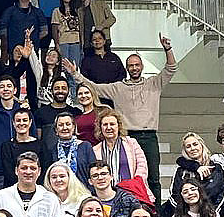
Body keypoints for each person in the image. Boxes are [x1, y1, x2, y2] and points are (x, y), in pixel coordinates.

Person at [71, 35, 175, 202]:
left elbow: (170, 68)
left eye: (137, 65)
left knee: (153, 179)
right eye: (131, 66)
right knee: (124, 177)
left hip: (149, 136)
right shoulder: (118, 88)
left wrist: (168, 49)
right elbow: (94, 88)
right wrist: (75, 74)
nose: (134, 68)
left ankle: (154, 213)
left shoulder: (154, 83)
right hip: (126, 137)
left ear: (142, 66)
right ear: (126, 68)